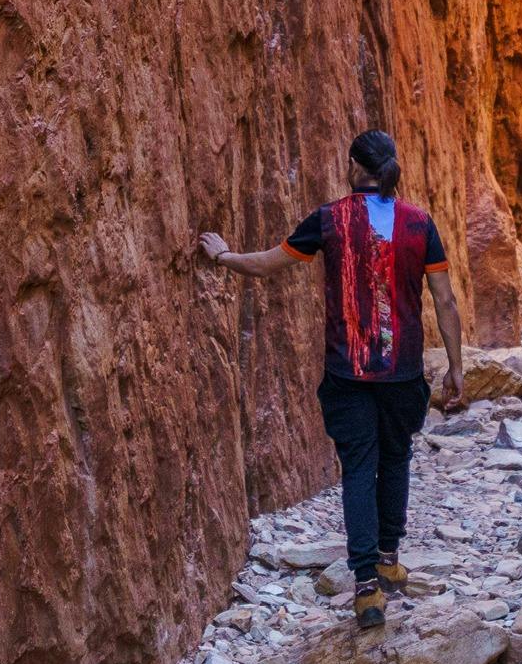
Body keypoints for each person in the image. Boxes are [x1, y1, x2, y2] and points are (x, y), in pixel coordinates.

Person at [199, 129, 466, 629]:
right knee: (396, 459)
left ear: (352, 167)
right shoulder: (419, 224)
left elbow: (269, 265)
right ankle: (388, 558)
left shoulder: (330, 220)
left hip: (348, 370)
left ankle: (366, 587)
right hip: (403, 371)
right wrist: (455, 366)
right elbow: (444, 301)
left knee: (359, 469)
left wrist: (222, 256)